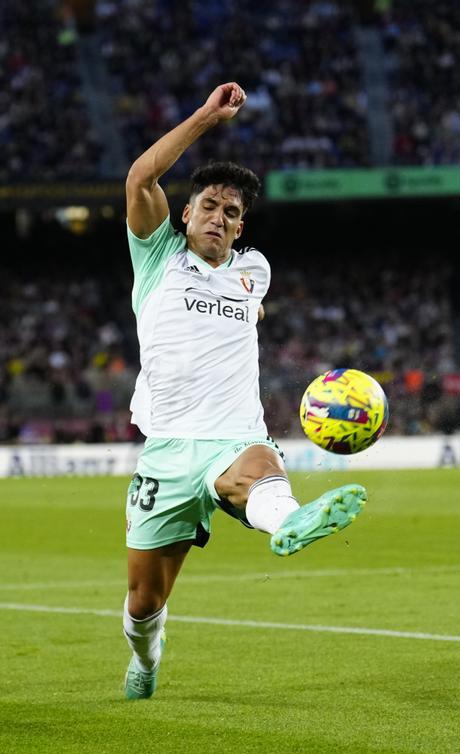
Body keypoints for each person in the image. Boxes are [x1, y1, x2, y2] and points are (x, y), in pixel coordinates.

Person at [119, 83, 366, 700]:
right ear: (185, 212)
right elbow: (140, 175)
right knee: (144, 601)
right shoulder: (157, 258)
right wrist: (206, 116)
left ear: (240, 226)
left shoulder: (254, 271)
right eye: (208, 206)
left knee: (257, 472)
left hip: (236, 434)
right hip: (168, 447)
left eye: (231, 213)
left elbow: (245, 310)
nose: (219, 218)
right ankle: (147, 659)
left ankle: (290, 520)